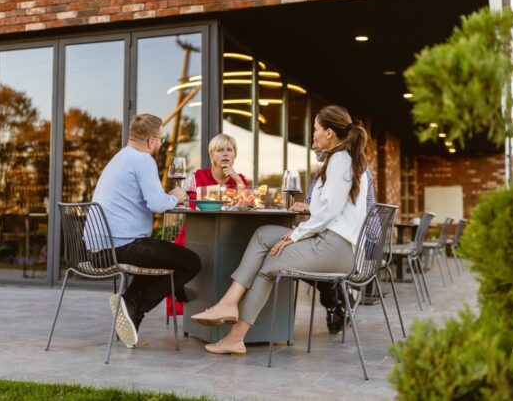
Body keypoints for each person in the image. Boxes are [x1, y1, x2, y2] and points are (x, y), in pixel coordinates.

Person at [191, 105, 369, 355]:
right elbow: (331, 207)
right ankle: (229, 304)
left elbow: (329, 212)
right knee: (264, 234)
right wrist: (304, 218)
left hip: (336, 248)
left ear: (329, 132)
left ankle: (235, 336)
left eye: (316, 129)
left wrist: (296, 234)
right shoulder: (339, 159)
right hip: (331, 241)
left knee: (270, 262)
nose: (313, 135)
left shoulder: (340, 160)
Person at [92, 113, 202, 348]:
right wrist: (175, 196)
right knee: (191, 262)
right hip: (121, 246)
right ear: (152, 141)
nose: (161, 144)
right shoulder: (143, 161)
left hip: (97, 248)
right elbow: (158, 204)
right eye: (161, 139)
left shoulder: (120, 158)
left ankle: (131, 311)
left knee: (159, 256)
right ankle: (132, 306)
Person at [290, 141, 376, 334]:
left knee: (298, 253)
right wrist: (306, 208)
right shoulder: (322, 173)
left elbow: (334, 212)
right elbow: (315, 205)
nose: (313, 146)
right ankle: (337, 300)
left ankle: (334, 299)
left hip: (359, 240)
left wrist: (305, 222)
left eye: (316, 140)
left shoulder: (356, 170)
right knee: (301, 250)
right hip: (337, 236)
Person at [165, 133, 248, 317]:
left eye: (229, 150)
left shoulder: (240, 180)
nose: (225, 154)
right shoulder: (198, 176)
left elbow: (247, 204)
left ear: (235, 155)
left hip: (228, 237)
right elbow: (185, 200)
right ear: (212, 156)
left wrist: (238, 180)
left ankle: (222, 309)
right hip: (196, 235)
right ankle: (189, 312)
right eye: (220, 150)